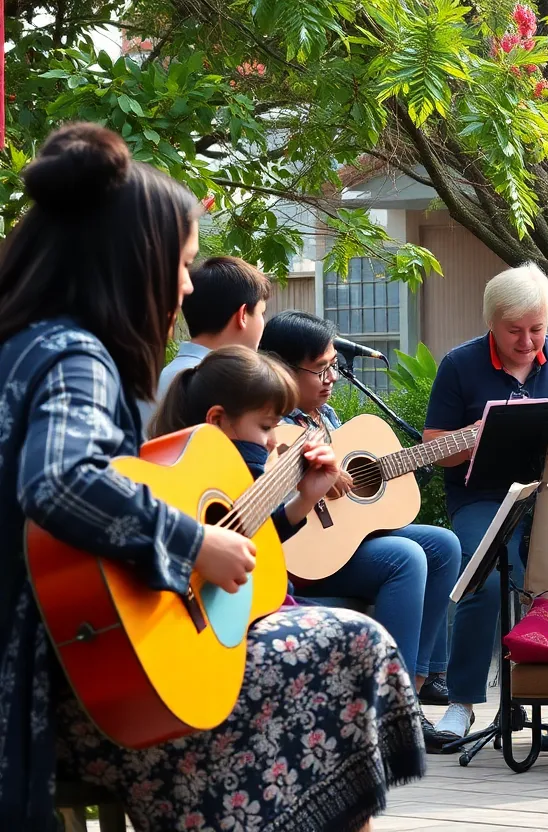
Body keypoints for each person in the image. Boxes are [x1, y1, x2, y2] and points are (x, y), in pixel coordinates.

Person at [0, 123, 424, 831]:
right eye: (182, 262)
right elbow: (64, 484)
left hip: (70, 669)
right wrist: (194, 545)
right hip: (78, 689)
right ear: (130, 260)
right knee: (356, 646)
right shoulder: (75, 359)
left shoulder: (23, 346)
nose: (188, 284)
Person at [423, 262, 548, 745]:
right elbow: (433, 445)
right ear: (491, 323)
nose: (528, 342)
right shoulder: (459, 365)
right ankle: (462, 703)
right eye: (514, 331)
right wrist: (483, 435)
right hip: (483, 496)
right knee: (484, 578)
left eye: (538, 329)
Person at [259, 311, 462, 716]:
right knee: (407, 557)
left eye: (333, 365)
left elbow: (360, 484)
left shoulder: (325, 416)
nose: (331, 376)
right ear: (281, 369)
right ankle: (391, 706)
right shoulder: (269, 424)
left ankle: (414, 681)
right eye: (319, 369)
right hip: (303, 552)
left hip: (346, 542)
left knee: (445, 545)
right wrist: (308, 474)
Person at [151, 345, 329, 556]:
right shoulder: (175, 486)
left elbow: (249, 538)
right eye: (265, 427)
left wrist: (306, 499)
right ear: (217, 420)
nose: (272, 442)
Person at [156, 255, 271, 398]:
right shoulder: (227, 383)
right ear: (242, 316)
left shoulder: (165, 375)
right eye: (261, 313)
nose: (263, 322)